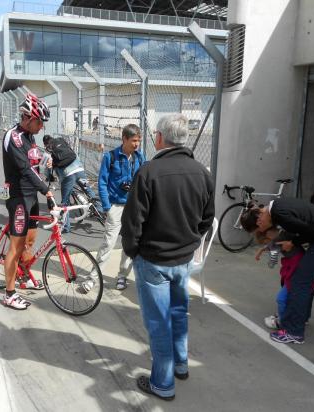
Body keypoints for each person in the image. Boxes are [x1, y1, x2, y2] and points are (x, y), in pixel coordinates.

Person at [121, 114, 215, 401]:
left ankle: (162, 382)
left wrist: (132, 250)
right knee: (177, 312)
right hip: (182, 260)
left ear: (160, 138)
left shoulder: (149, 172)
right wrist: (188, 242)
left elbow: (132, 222)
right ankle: (181, 364)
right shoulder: (201, 172)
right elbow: (206, 219)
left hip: (154, 260)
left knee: (159, 322)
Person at [240, 197, 314, 344]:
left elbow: (310, 232)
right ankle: (300, 317)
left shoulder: (279, 213)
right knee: (305, 279)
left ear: (259, 220)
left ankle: (294, 332)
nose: (264, 231)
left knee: (299, 282)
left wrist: (292, 242)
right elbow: (306, 228)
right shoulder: (277, 206)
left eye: (259, 229)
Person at [2, 93, 54, 309]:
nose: (42, 126)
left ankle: (23, 278)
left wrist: (46, 161)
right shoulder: (13, 136)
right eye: (39, 121)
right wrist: (47, 191)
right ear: (27, 118)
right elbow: (24, 169)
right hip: (19, 196)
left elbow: (32, 164)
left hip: (30, 195)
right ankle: (9, 293)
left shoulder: (30, 137)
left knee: (30, 241)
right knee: (16, 246)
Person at [89, 124, 145, 291]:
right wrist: (107, 207)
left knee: (129, 244)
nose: (136, 144)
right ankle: (93, 277)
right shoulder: (110, 157)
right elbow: (102, 183)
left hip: (133, 207)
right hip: (115, 206)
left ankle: (122, 276)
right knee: (108, 243)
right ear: (124, 139)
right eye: (134, 141)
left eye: (139, 141)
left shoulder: (139, 157)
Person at [254, 228, 314, 329]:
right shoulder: (282, 234)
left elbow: (273, 259)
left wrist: (269, 259)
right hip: (297, 268)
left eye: (266, 241)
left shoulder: (280, 241)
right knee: (291, 295)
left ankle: (283, 321)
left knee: (281, 298)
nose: (268, 244)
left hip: (295, 271)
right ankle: (291, 316)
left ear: (269, 235)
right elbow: (271, 245)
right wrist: (262, 250)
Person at [43, 134, 98, 233]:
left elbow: (47, 169)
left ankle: (66, 227)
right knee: (89, 191)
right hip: (80, 170)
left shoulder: (48, 150)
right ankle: (101, 211)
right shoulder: (61, 141)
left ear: (45, 144)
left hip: (68, 176)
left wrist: (48, 177)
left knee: (65, 202)